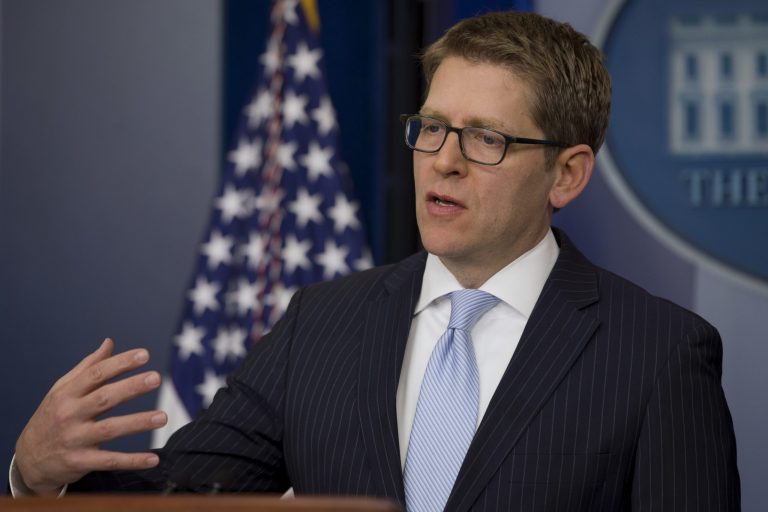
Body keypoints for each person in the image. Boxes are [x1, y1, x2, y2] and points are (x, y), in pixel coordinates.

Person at [11, 10, 739, 511]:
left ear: (568, 174)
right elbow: (182, 500)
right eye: (430, 127)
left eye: (486, 139)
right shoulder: (321, 324)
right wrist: (41, 479)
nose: (443, 163)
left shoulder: (658, 354)